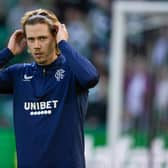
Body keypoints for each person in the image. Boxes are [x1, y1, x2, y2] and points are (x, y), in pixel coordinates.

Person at [0, 9, 99, 168]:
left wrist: (63, 44)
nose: (36, 46)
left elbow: (91, 77)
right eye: (31, 39)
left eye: (42, 38)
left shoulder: (72, 72)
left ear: (55, 37)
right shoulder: (18, 75)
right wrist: (8, 52)